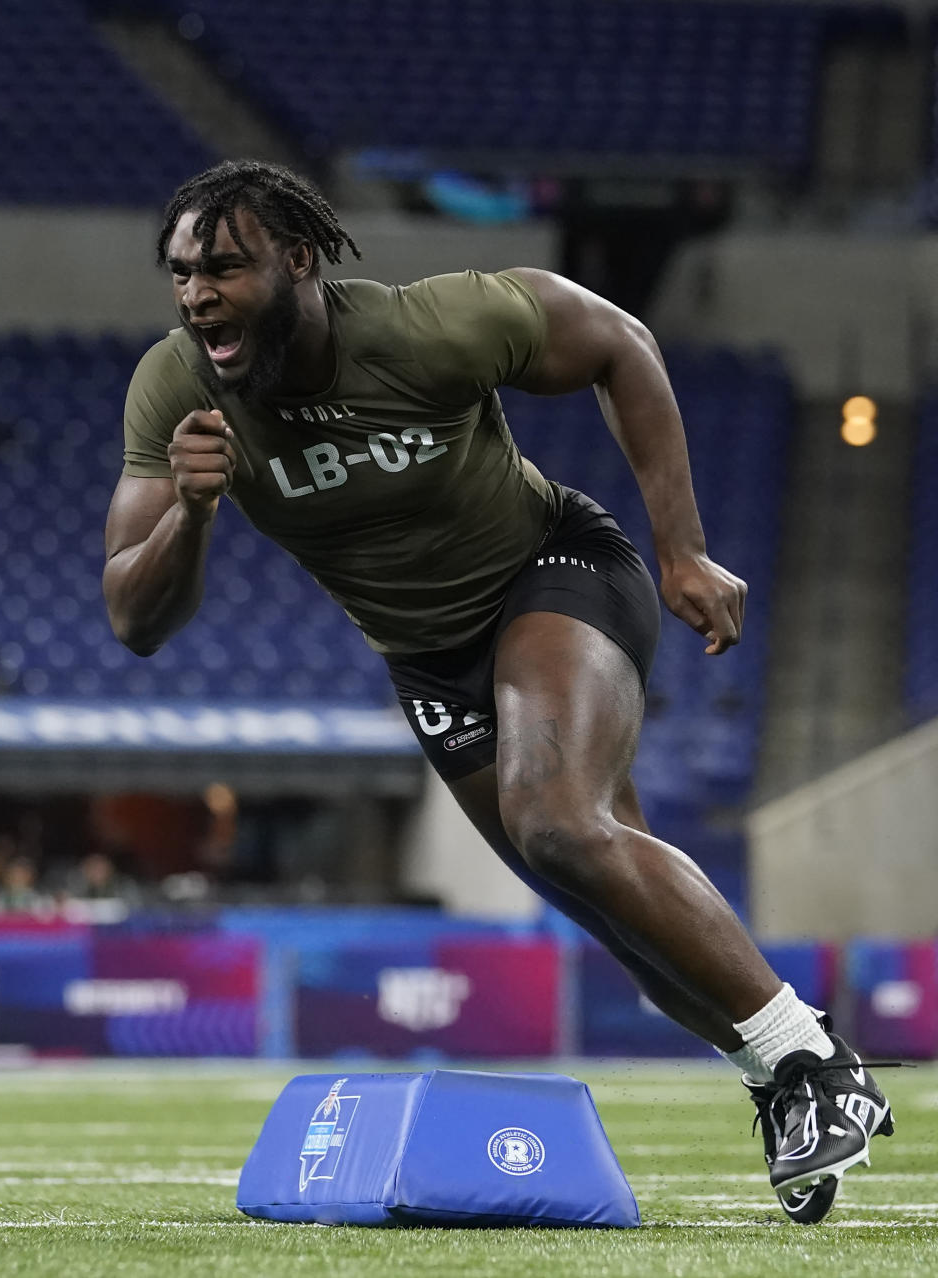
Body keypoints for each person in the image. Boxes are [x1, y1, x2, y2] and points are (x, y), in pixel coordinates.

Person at [102, 160, 894, 1222]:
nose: (198, 294)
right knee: (610, 908)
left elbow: (623, 344)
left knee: (559, 821)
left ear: (298, 261)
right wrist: (192, 514)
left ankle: (813, 1058)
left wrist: (685, 551)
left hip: (556, 573)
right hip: (428, 659)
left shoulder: (432, 328)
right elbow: (133, 618)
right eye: (183, 272)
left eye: (226, 267)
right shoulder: (177, 387)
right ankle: (775, 1073)